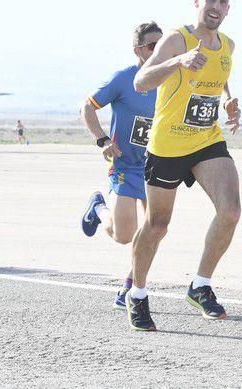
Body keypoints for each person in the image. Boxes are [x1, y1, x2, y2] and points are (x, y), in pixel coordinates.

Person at [127, 0, 242, 331]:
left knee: (231, 210)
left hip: (206, 139)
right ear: (197, 1)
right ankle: (138, 293)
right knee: (157, 225)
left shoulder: (228, 45)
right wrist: (178, 60)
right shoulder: (177, 38)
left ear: (228, 8)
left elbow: (215, 75)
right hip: (168, 144)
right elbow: (141, 81)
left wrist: (227, 101)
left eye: (223, 2)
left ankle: (201, 285)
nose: (216, 7)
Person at [79, 22, 162, 308]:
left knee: (155, 231)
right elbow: (87, 107)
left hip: (157, 167)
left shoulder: (170, 80)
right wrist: (102, 140)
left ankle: (130, 287)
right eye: (152, 46)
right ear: (138, 50)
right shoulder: (123, 79)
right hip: (126, 165)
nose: (158, 51)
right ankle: (98, 208)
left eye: (162, 45)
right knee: (124, 235)